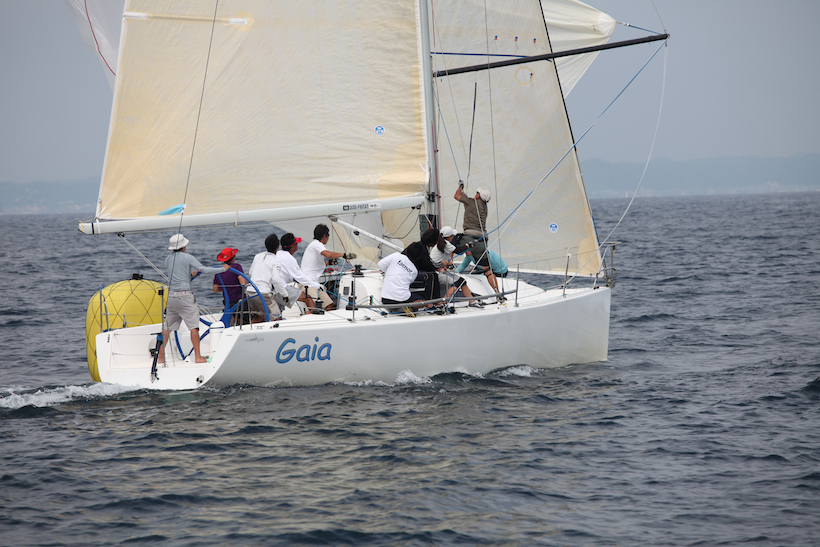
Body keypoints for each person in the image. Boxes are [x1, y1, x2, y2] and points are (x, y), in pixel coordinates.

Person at [159, 234, 229, 364]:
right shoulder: (188, 257)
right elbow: (204, 269)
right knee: (194, 327)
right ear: (184, 246)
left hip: (172, 297)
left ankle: (160, 358)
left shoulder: (167, 259)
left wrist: (191, 275)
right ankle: (198, 357)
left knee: (167, 328)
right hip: (185, 296)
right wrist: (223, 269)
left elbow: (178, 275)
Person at [300, 224, 357, 312]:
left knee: (329, 304)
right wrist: (344, 255)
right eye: (328, 235)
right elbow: (328, 254)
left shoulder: (315, 245)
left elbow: (315, 263)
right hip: (308, 283)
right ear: (324, 236)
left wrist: (329, 263)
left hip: (315, 283)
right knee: (312, 309)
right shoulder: (316, 244)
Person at [428, 226, 482, 308]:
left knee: (462, 281)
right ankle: (443, 303)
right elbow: (459, 251)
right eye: (453, 236)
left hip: (438, 271)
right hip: (437, 273)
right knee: (458, 282)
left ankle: (472, 302)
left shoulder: (440, 243)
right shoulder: (445, 244)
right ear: (449, 236)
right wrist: (469, 245)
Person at [245, 234, 292, 322]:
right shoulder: (276, 260)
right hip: (263, 294)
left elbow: (251, 272)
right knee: (277, 316)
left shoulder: (257, 256)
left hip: (250, 293)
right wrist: (285, 295)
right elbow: (276, 279)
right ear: (278, 247)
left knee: (260, 314)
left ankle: (252, 328)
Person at [275, 233, 319, 314]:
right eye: (296, 243)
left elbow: (285, 274)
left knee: (278, 313)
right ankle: (314, 317)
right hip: (280, 289)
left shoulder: (278, 254)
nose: (297, 245)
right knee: (307, 298)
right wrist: (316, 286)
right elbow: (300, 277)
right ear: (293, 246)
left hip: (273, 289)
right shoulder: (289, 258)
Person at [378, 251, 423, 315]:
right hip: (402, 300)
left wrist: (387, 272)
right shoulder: (415, 271)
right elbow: (410, 282)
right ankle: (407, 307)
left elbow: (380, 264)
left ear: (406, 251)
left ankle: (400, 308)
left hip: (386, 300)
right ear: (418, 258)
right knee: (422, 301)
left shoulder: (396, 255)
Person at [212, 247, 248, 324]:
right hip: (239, 301)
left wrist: (227, 286)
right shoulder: (237, 266)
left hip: (227, 302)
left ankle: (232, 318)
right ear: (233, 257)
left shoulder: (219, 270)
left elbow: (215, 290)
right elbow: (243, 283)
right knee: (253, 317)